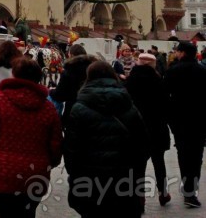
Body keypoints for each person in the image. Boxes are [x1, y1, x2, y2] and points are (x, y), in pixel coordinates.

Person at [0, 57, 63, 218]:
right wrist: (50, 162)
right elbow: (55, 144)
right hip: (35, 174)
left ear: (14, 75)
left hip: (2, 171)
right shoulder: (47, 107)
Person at [64, 60, 149, 217]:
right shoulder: (129, 107)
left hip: (89, 181)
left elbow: (71, 150)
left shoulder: (79, 109)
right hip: (123, 179)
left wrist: (75, 177)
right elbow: (141, 147)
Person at [164, 40, 206, 208]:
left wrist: (170, 119)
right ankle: (191, 190)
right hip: (199, 120)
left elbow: (164, 96)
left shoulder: (172, 71)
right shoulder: (202, 71)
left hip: (179, 121)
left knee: (183, 154)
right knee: (196, 156)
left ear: (182, 53)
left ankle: (187, 186)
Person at [125, 52, 171, 207]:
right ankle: (163, 192)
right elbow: (166, 105)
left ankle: (140, 196)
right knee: (159, 162)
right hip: (157, 127)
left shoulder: (131, 80)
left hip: (136, 128)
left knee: (138, 165)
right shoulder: (158, 81)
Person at [48, 44, 96, 127]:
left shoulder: (69, 70)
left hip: (73, 111)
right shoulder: (93, 68)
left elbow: (60, 95)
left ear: (72, 55)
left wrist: (50, 91)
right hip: (92, 110)